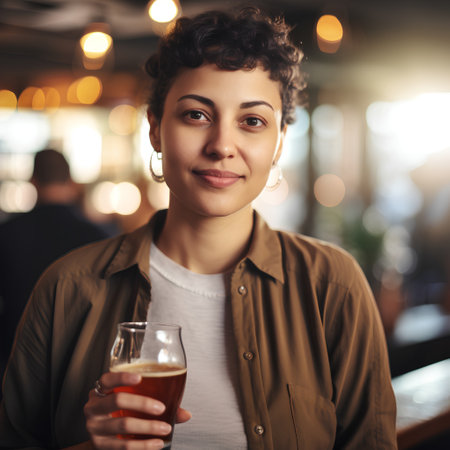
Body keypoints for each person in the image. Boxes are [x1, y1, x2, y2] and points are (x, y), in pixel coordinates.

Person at [0, 8, 397, 450]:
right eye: (196, 115)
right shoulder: (67, 288)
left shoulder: (332, 286)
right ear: (154, 128)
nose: (222, 146)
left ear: (279, 142)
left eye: (252, 121)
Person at [0, 149, 111, 384]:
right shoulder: (98, 237)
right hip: (77, 362)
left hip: (13, 356)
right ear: (71, 182)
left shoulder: (7, 233)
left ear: (33, 180)